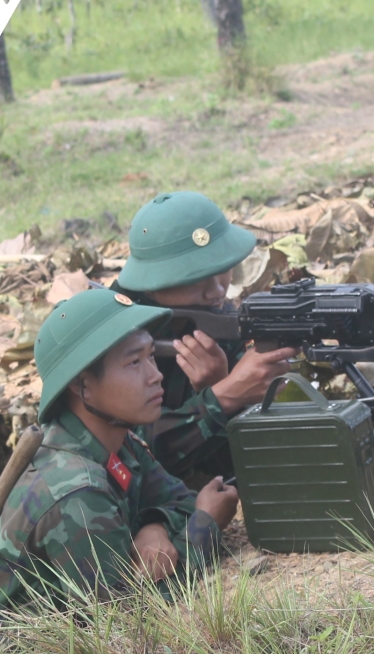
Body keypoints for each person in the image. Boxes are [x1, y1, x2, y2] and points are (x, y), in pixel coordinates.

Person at [0, 287, 240, 654]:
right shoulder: (73, 489)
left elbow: (177, 499)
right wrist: (205, 526)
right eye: (134, 363)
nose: (155, 376)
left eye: (151, 357)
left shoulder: (115, 441)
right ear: (83, 386)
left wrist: (155, 525)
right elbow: (129, 624)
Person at [112, 191, 297, 488]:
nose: (216, 291)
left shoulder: (215, 318)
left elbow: (241, 465)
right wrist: (222, 397)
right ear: (150, 287)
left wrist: (217, 388)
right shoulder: (108, 340)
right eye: (193, 279)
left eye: (221, 268)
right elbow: (128, 455)